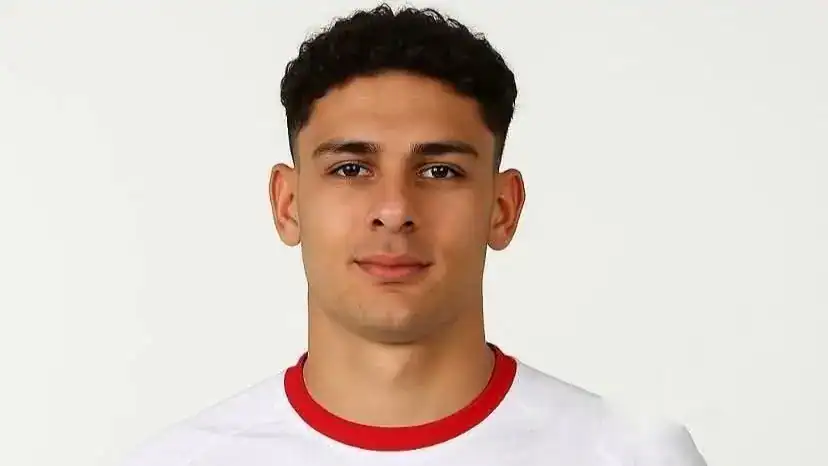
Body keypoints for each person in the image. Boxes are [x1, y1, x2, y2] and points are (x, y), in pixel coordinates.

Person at [121, 4, 707, 465]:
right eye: (351, 169)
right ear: (288, 204)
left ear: (503, 208)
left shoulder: (634, 457)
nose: (395, 209)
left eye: (440, 171)